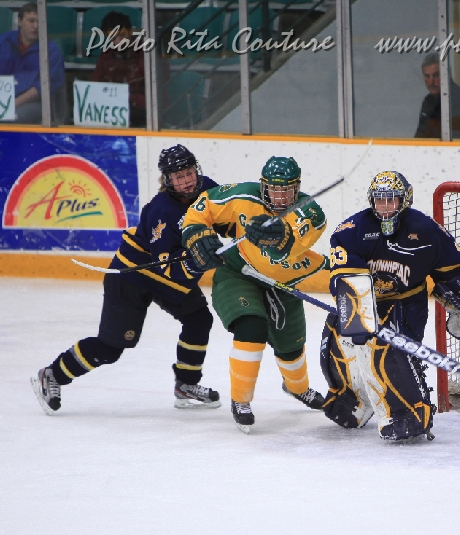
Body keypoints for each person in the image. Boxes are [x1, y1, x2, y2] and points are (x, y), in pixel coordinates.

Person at [31, 145, 220, 415]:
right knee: (111, 348)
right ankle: (52, 374)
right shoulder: (161, 211)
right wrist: (196, 261)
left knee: (199, 319)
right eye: (179, 176)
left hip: (165, 274)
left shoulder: (209, 190)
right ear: (168, 180)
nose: (187, 180)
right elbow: (166, 265)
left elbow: (231, 213)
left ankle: (186, 384)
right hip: (134, 275)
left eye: (189, 172)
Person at [320, 171, 460, 443]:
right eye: (380, 200)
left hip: (407, 303)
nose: (385, 207)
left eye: (391, 200)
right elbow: (345, 279)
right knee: (338, 337)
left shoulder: (426, 230)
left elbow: (452, 270)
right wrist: (357, 312)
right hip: (367, 301)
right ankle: (353, 401)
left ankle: (407, 414)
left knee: (388, 352)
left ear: (404, 200)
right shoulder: (352, 231)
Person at [178, 156, 329, 434]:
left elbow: (289, 248)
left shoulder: (311, 213)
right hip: (239, 272)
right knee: (251, 327)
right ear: (263, 186)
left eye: (287, 191)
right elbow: (200, 209)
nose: (280, 198)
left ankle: (298, 388)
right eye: (274, 189)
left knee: (291, 347)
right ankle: (241, 400)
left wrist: (276, 236)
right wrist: (197, 236)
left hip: (281, 282)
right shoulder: (242, 195)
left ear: (297, 188)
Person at [0, 2, 66, 125]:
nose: (36, 26)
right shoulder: (2, 41)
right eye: (31, 21)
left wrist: (12, 104)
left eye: (40, 22)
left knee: (13, 117)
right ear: (20, 21)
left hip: (33, 103)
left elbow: (44, 87)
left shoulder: (52, 50)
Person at [91, 11, 146, 128]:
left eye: (121, 36)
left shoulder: (146, 54)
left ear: (130, 32)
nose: (117, 42)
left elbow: (157, 96)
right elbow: (96, 87)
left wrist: (126, 98)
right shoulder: (106, 55)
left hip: (142, 116)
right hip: (111, 115)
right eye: (112, 37)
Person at [414, 52, 460, 140]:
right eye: (427, 76)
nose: (431, 82)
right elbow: (420, 137)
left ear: (447, 74)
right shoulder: (428, 101)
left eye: (436, 75)